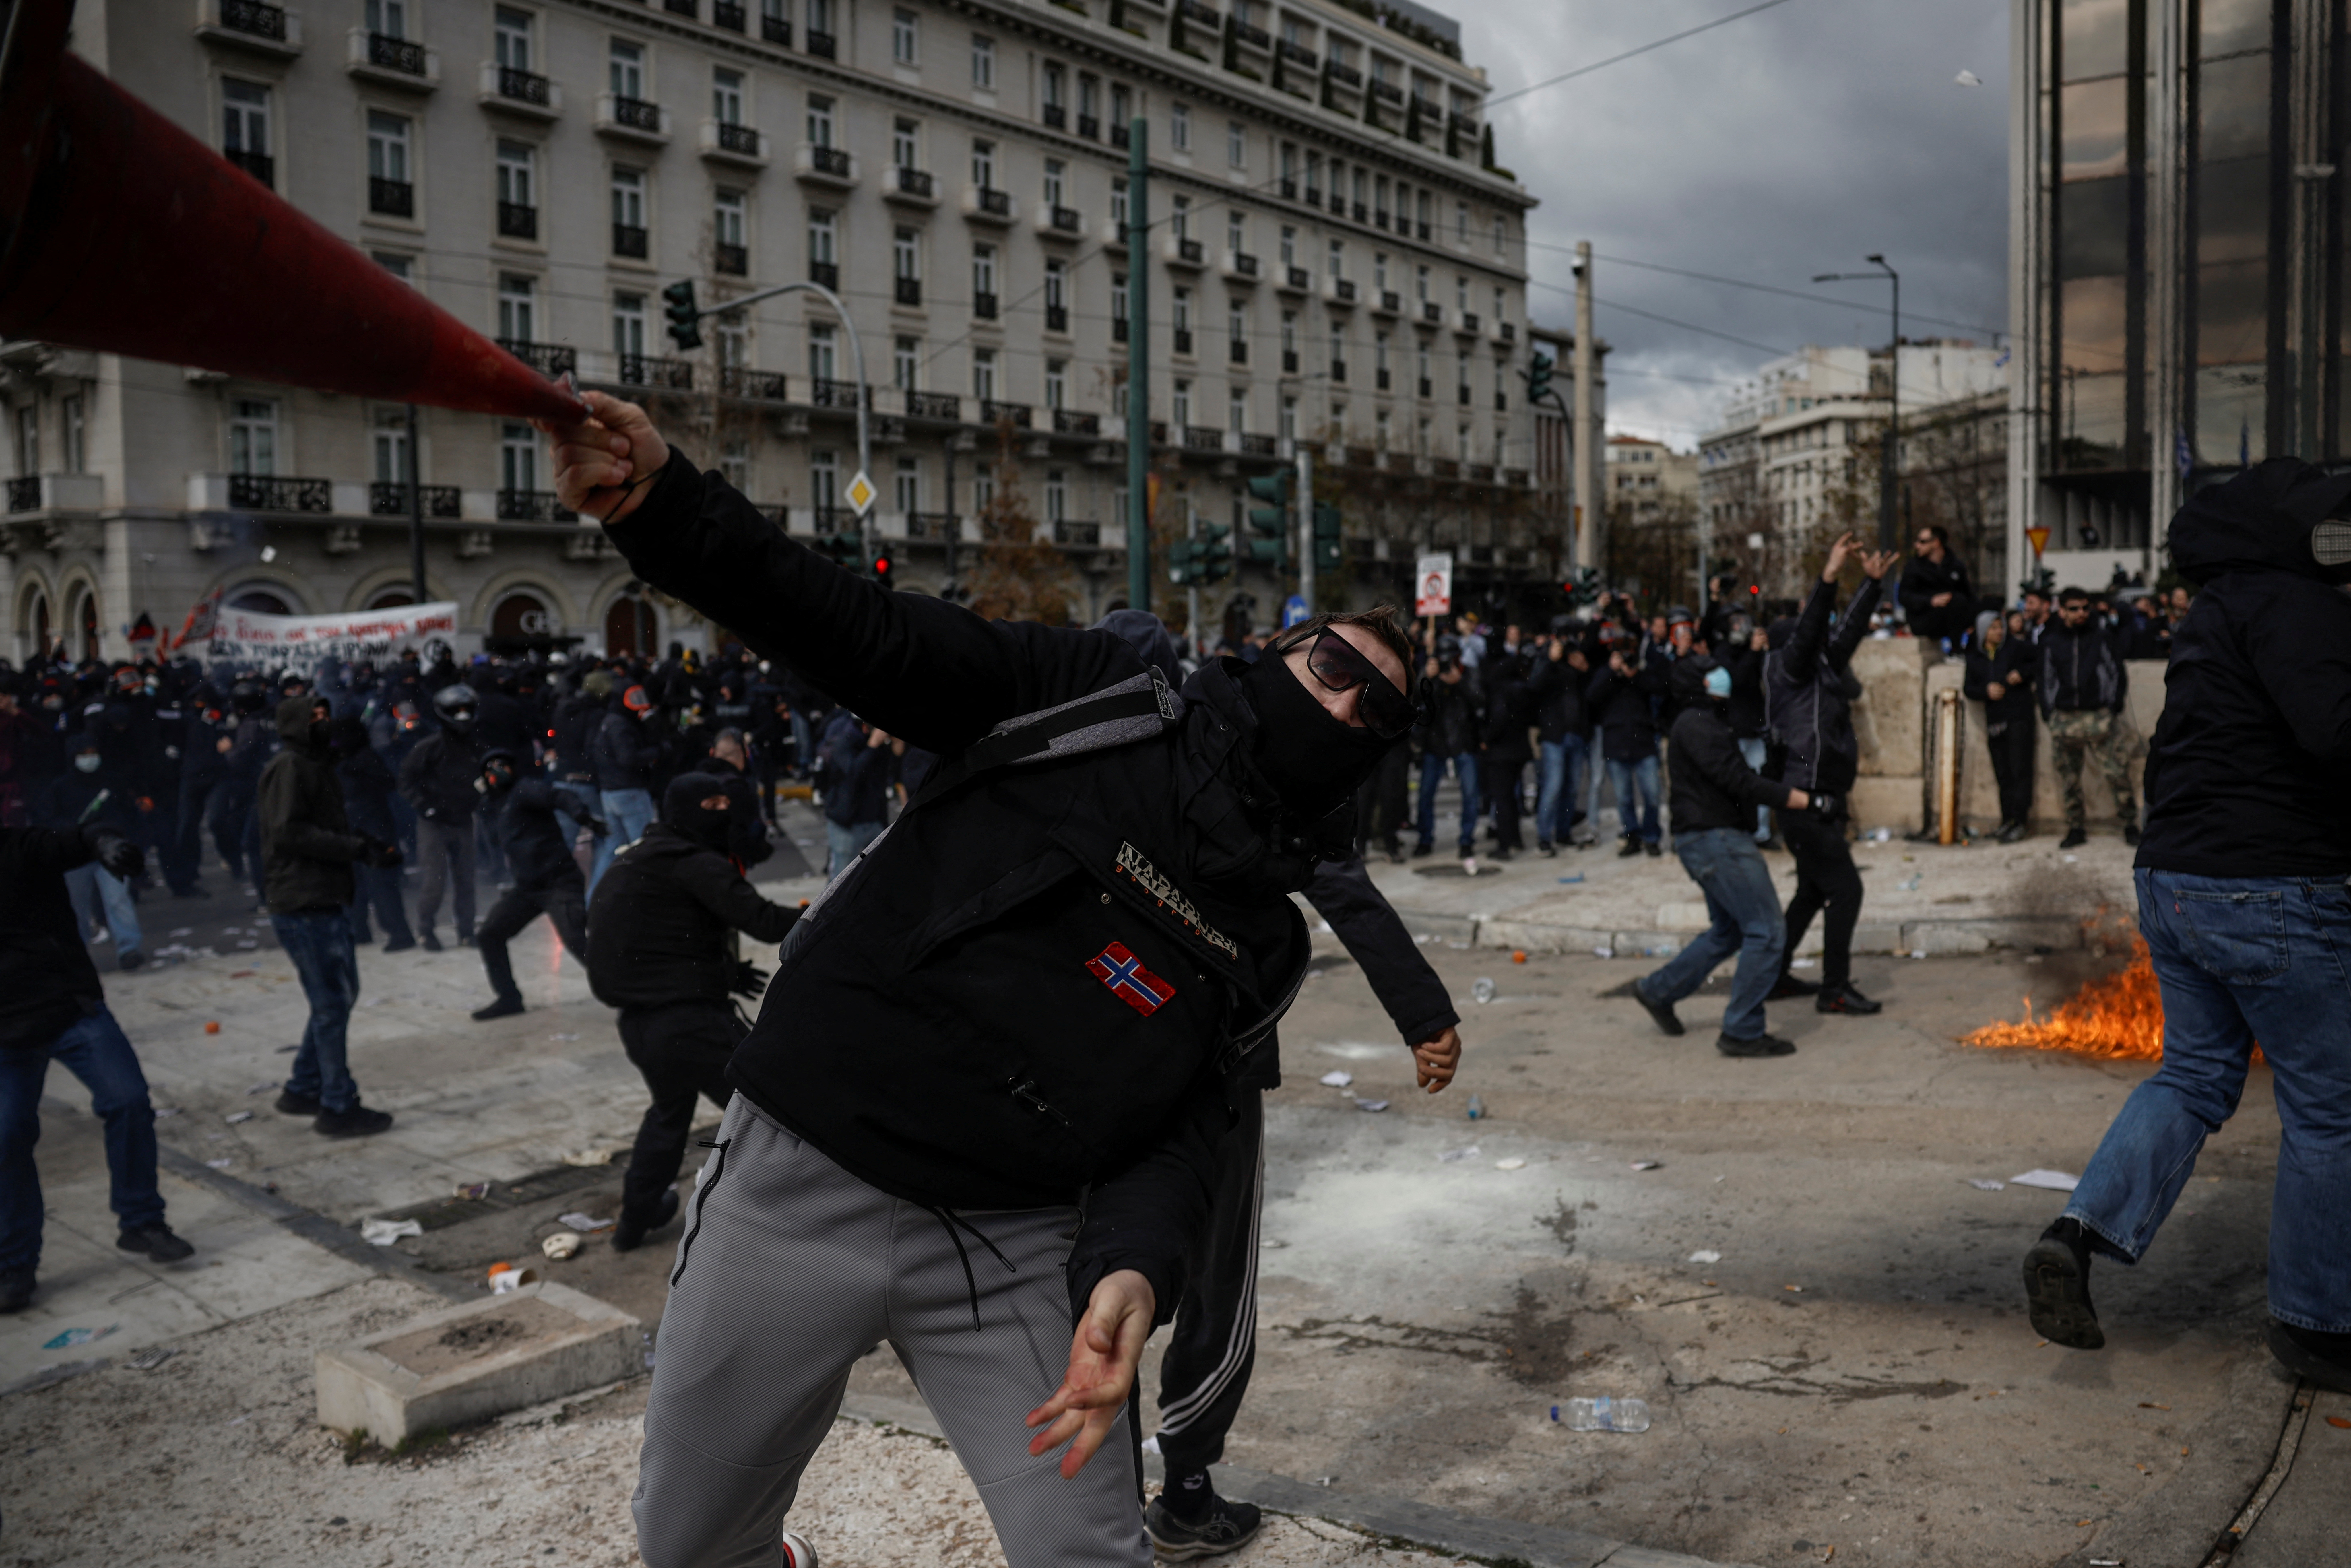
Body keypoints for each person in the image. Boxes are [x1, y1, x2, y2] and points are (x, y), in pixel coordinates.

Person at [538, 387, 1423, 1568]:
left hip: (1012, 1244)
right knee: (691, 1544)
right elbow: (866, 634)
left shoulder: (1266, 940)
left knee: (1088, 1555)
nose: (1344, 699)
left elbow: (1176, 1134)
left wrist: (1132, 1270)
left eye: (1377, 707)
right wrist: (666, 506)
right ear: (1274, 650)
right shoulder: (1095, 696)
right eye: (1333, 663)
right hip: (807, 1170)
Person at [2022, 458, 2351, 1393]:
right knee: (2330, 1107)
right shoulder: (2297, 605)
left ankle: (2076, 1232)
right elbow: (2336, 732)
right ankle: (2319, 1325)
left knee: (2195, 1075)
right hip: (2273, 883)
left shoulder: (2212, 612)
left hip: (2174, 877)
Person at [587, 773, 801, 1253]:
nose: (723, 813)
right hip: (690, 1022)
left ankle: (634, 1220)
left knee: (669, 1114)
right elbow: (765, 921)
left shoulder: (638, 859)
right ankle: (799, 1217)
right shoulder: (693, 862)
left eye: (727, 803)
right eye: (712, 804)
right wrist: (828, 913)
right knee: (772, 1112)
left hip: (642, 1027)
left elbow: (659, 937)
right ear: (685, 811)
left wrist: (723, 973)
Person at [1, 821, 195, 1314]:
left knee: (128, 1099)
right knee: (7, 1136)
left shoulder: (20, 847)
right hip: (5, 1035)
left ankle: (142, 1220)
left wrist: (108, 845)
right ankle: (15, 1264)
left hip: (70, 1010)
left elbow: (80, 838)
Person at [1628, 659, 1813, 1058]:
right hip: (1717, 839)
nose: (1721, 674)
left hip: (1708, 838)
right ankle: (1742, 1029)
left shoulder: (1702, 721)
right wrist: (1792, 798)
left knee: (1728, 931)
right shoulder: (1697, 724)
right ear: (1698, 684)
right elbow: (1736, 779)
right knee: (1767, 930)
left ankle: (1658, 991)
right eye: (1710, 670)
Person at [1763, 533, 1898, 1016]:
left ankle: (1773, 974)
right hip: (1805, 797)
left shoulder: (1820, 668)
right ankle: (1834, 989)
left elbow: (1849, 632)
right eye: (1809, 635)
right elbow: (1814, 628)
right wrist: (1829, 576)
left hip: (1823, 795)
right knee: (1845, 889)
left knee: (1812, 891)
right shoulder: (1790, 670)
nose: (1821, 639)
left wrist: (1871, 585)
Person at [259, 696, 399, 1138]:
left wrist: (364, 847)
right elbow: (289, 832)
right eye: (315, 718)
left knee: (338, 997)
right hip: (304, 901)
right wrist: (351, 848)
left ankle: (304, 1086)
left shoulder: (317, 766)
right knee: (331, 1004)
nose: (325, 723)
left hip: (323, 896)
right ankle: (338, 1105)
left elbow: (323, 827)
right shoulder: (291, 766)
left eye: (326, 716)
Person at [469, 750, 603, 1021]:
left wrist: (581, 816)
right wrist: (485, 802)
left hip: (559, 882)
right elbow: (493, 836)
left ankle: (631, 991)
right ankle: (509, 999)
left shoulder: (525, 790)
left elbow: (560, 796)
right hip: (528, 887)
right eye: (492, 768)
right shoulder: (496, 804)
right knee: (490, 935)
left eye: (503, 766)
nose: (498, 772)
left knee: (576, 940)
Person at [2038, 586, 2137, 850]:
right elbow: (2046, 679)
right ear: (2062, 611)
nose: (2081, 613)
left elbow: (2116, 673)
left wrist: (2113, 707)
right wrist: (2050, 714)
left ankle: (2130, 824)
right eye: (2074, 609)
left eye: (2085, 608)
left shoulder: (2102, 637)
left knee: (2117, 773)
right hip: (2065, 717)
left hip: (2099, 716)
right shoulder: (2051, 641)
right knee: (2069, 778)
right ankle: (2076, 827)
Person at [37, 733, 145, 969]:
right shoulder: (60, 787)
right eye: (84, 755)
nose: (90, 759)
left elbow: (129, 814)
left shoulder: (112, 782)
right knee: (76, 906)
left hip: (110, 849)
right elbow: (48, 819)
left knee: (118, 899)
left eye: (92, 753)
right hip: (76, 854)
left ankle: (129, 948)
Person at [397, 682, 484, 950]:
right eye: (457, 711)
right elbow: (406, 779)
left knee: (466, 880)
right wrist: (424, 806)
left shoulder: (475, 746)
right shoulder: (430, 747)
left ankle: (466, 931)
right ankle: (426, 930)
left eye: (466, 710)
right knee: (435, 881)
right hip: (434, 823)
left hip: (463, 819)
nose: (462, 716)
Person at [330, 715, 416, 951]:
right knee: (355, 884)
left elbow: (388, 783)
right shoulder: (341, 760)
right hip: (352, 829)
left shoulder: (366, 758)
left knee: (382, 885)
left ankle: (399, 933)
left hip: (374, 830)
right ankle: (359, 930)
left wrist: (358, 771)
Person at [1585, 627, 1664, 857]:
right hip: (1616, 743)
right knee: (1624, 798)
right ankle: (1632, 836)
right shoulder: (1605, 674)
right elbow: (1592, 697)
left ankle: (1652, 836)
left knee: (1652, 795)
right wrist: (1613, 672)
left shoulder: (1641, 672)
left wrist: (1635, 674)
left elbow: (1659, 688)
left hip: (1644, 742)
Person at [1962, 609, 2036, 842]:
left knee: (2019, 770)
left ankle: (2021, 822)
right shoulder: (1976, 657)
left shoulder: (2016, 648)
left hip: (2018, 717)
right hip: (1995, 720)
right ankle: (2007, 820)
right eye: (1993, 628)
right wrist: (1986, 691)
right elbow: (1969, 688)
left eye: (2001, 627)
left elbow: (2040, 660)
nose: (1999, 632)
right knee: (2003, 774)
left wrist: (2021, 674)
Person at [1409, 636, 1482, 868]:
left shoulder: (1469, 673)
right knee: (1425, 796)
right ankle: (1425, 839)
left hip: (1464, 743)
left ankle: (1467, 841)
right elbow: (1415, 701)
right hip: (1436, 743)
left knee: (1471, 796)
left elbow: (1480, 701)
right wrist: (1427, 677)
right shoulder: (1431, 674)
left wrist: (1459, 682)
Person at [589, 682, 665, 892]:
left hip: (611, 792)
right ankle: (650, 896)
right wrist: (657, 752)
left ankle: (595, 899)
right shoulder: (620, 725)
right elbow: (628, 758)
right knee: (644, 848)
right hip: (629, 792)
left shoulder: (611, 721)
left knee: (613, 849)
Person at [1527, 622, 1593, 854]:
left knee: (1572, 788)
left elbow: (1590, 695)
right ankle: (1545, 837)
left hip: (1576, 734)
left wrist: (1584, 669)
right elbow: (1534, 686)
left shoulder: (1575, 663)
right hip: (1554, 735)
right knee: (1553, 787)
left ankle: (1564, 833)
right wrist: (1550, 660)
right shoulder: (1546, 660)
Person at [1898, 524, 1977, 649]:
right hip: (1923, 618)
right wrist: (1931, 601)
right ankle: (1956, 649)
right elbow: (1904, 596)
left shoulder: (1956, 566)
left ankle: (1973, 651)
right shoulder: (1914, 567)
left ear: (1936, 543)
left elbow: (1968, 595)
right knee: (1956, 602)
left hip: (1952, 617)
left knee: (1978, 607)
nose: (1917, 545)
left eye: (1922, 542)